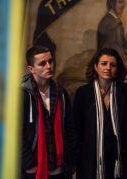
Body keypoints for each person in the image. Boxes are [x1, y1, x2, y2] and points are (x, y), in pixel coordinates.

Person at [69, 48, 127, 179]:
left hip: (119, 160)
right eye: (104, 63)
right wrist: (74, 160)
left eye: (113, 65)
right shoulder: (83, 94)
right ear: (95, 66)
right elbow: (76, 129)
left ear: (118, 68)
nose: (108, 68)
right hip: (90, 160)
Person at [21, 46, 72, 179]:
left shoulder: (61, 92)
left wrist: (70, 160)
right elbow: (16, 132)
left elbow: (69, 128)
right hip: (34, 168)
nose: (49, 66)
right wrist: (29, 164)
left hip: (59, 166)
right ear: (31, 69)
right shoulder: (22, 94)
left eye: (50, 61)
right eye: (42, 64)